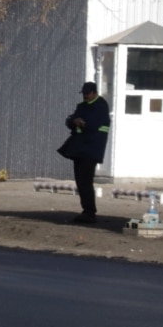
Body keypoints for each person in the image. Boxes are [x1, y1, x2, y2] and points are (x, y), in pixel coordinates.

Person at [63, 81, 111, 223]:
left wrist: (80, 122)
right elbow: (70, 120)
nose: (85, 96)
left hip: (91, 149)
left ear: (94, 92)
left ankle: (89, 212)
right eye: (84, 94)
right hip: (80, 149)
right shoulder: (82, 106)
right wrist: (74, 121)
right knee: (80, 180)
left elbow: (92, 124)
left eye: (87, 94)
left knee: (85, 180)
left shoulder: (100, 106)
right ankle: (86, 210)